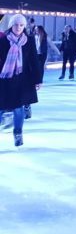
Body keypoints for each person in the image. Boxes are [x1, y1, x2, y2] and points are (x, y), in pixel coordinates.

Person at [0, 14, 43, 147]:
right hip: (4, 79)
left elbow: (34, 61)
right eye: (16, 24)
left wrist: (38, 79)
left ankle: (18, 132)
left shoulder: (28, 41)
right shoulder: (3, 40)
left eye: (21, 25)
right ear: (11, 25)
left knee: (19, 108)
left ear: (24, 26)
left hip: (22, 80)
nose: (18, 27)